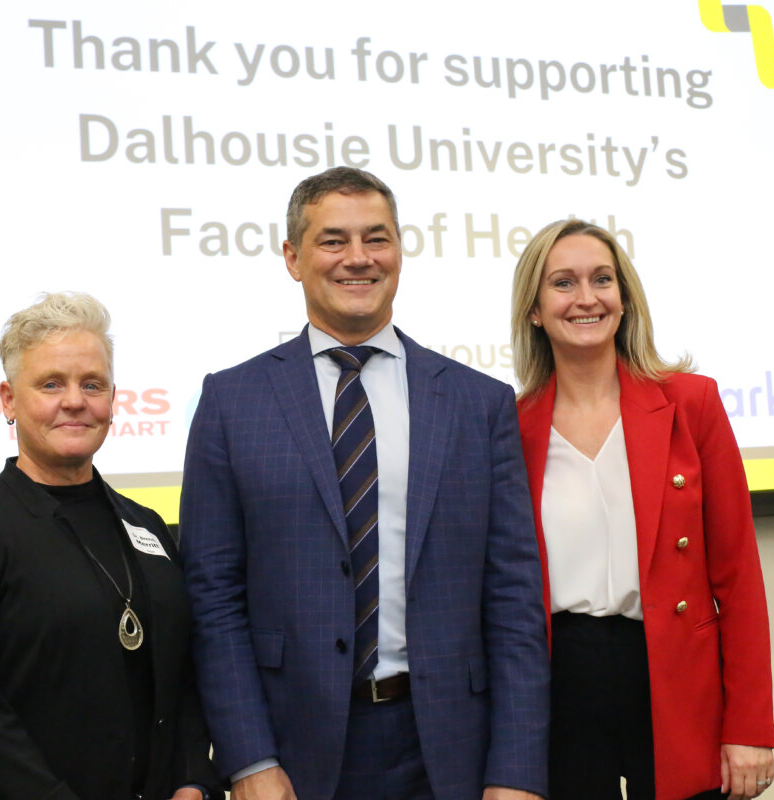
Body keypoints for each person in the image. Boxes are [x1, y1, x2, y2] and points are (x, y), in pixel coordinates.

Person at [180, 167, 549, 800]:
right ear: (294, 258)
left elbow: (513, 596)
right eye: (333, 241)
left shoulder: (477, 403)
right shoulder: (230, 401)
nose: (358, 258)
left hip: (447, 748)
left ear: (399, 250)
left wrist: (515, 771)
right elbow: (212, 598)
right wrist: (248, 759)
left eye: (376, 238)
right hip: (291, 751)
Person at [0, 292, 222, 800]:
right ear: (10, 400)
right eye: (51, 384)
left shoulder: (147, 526)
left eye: (91, 384)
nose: (74, 400)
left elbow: (183, 673)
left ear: (113, 400)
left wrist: (191, 779)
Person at [509, 220, 774, 800]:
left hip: (676, 676)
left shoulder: (691, 402)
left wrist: (751, 726)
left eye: (602, 279)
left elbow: (738, 577)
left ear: (624, 300)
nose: (586, 298)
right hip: (561, 687)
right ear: (534, 309)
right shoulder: (512, 425)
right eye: (563, 283)